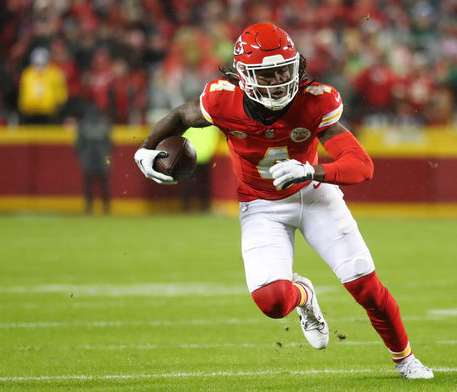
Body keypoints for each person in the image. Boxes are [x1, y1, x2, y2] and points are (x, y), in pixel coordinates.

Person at [134, 23, 434, 379]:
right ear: (245, 75)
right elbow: (183, 116)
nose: (278, 79)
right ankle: (304, 295)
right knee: (273, 302)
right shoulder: (222, 99)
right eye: (267, 72)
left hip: (314, 196)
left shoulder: (314, 101)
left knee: (364, 285)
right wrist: (146, 148)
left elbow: (362, 166)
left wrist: (313, 172)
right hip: (261, 204)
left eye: (284, 69)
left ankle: (405, 359)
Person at [75, 100, 112, 214]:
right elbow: (110, 144)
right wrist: (107, 158)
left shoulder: (83, 124)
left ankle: (89, 207)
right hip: (102, 158)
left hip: (89, 157)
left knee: (89, 183)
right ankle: (106, 208)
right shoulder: (104, 123)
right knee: (103, 183)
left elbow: (78, 144)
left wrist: (82, 155)